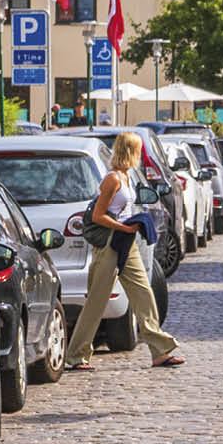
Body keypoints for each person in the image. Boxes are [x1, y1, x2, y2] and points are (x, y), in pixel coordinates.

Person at [64, 132, 184, 370]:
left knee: (144, 294)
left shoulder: (127, 177)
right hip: (110, 243)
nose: (140, 155)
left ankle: (160, 351)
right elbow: (98, 216)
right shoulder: (112, 179)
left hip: (127, 244)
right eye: (138, 150)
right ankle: (76, 356)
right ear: (130, 151)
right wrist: (123, 226)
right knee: (97, 301)